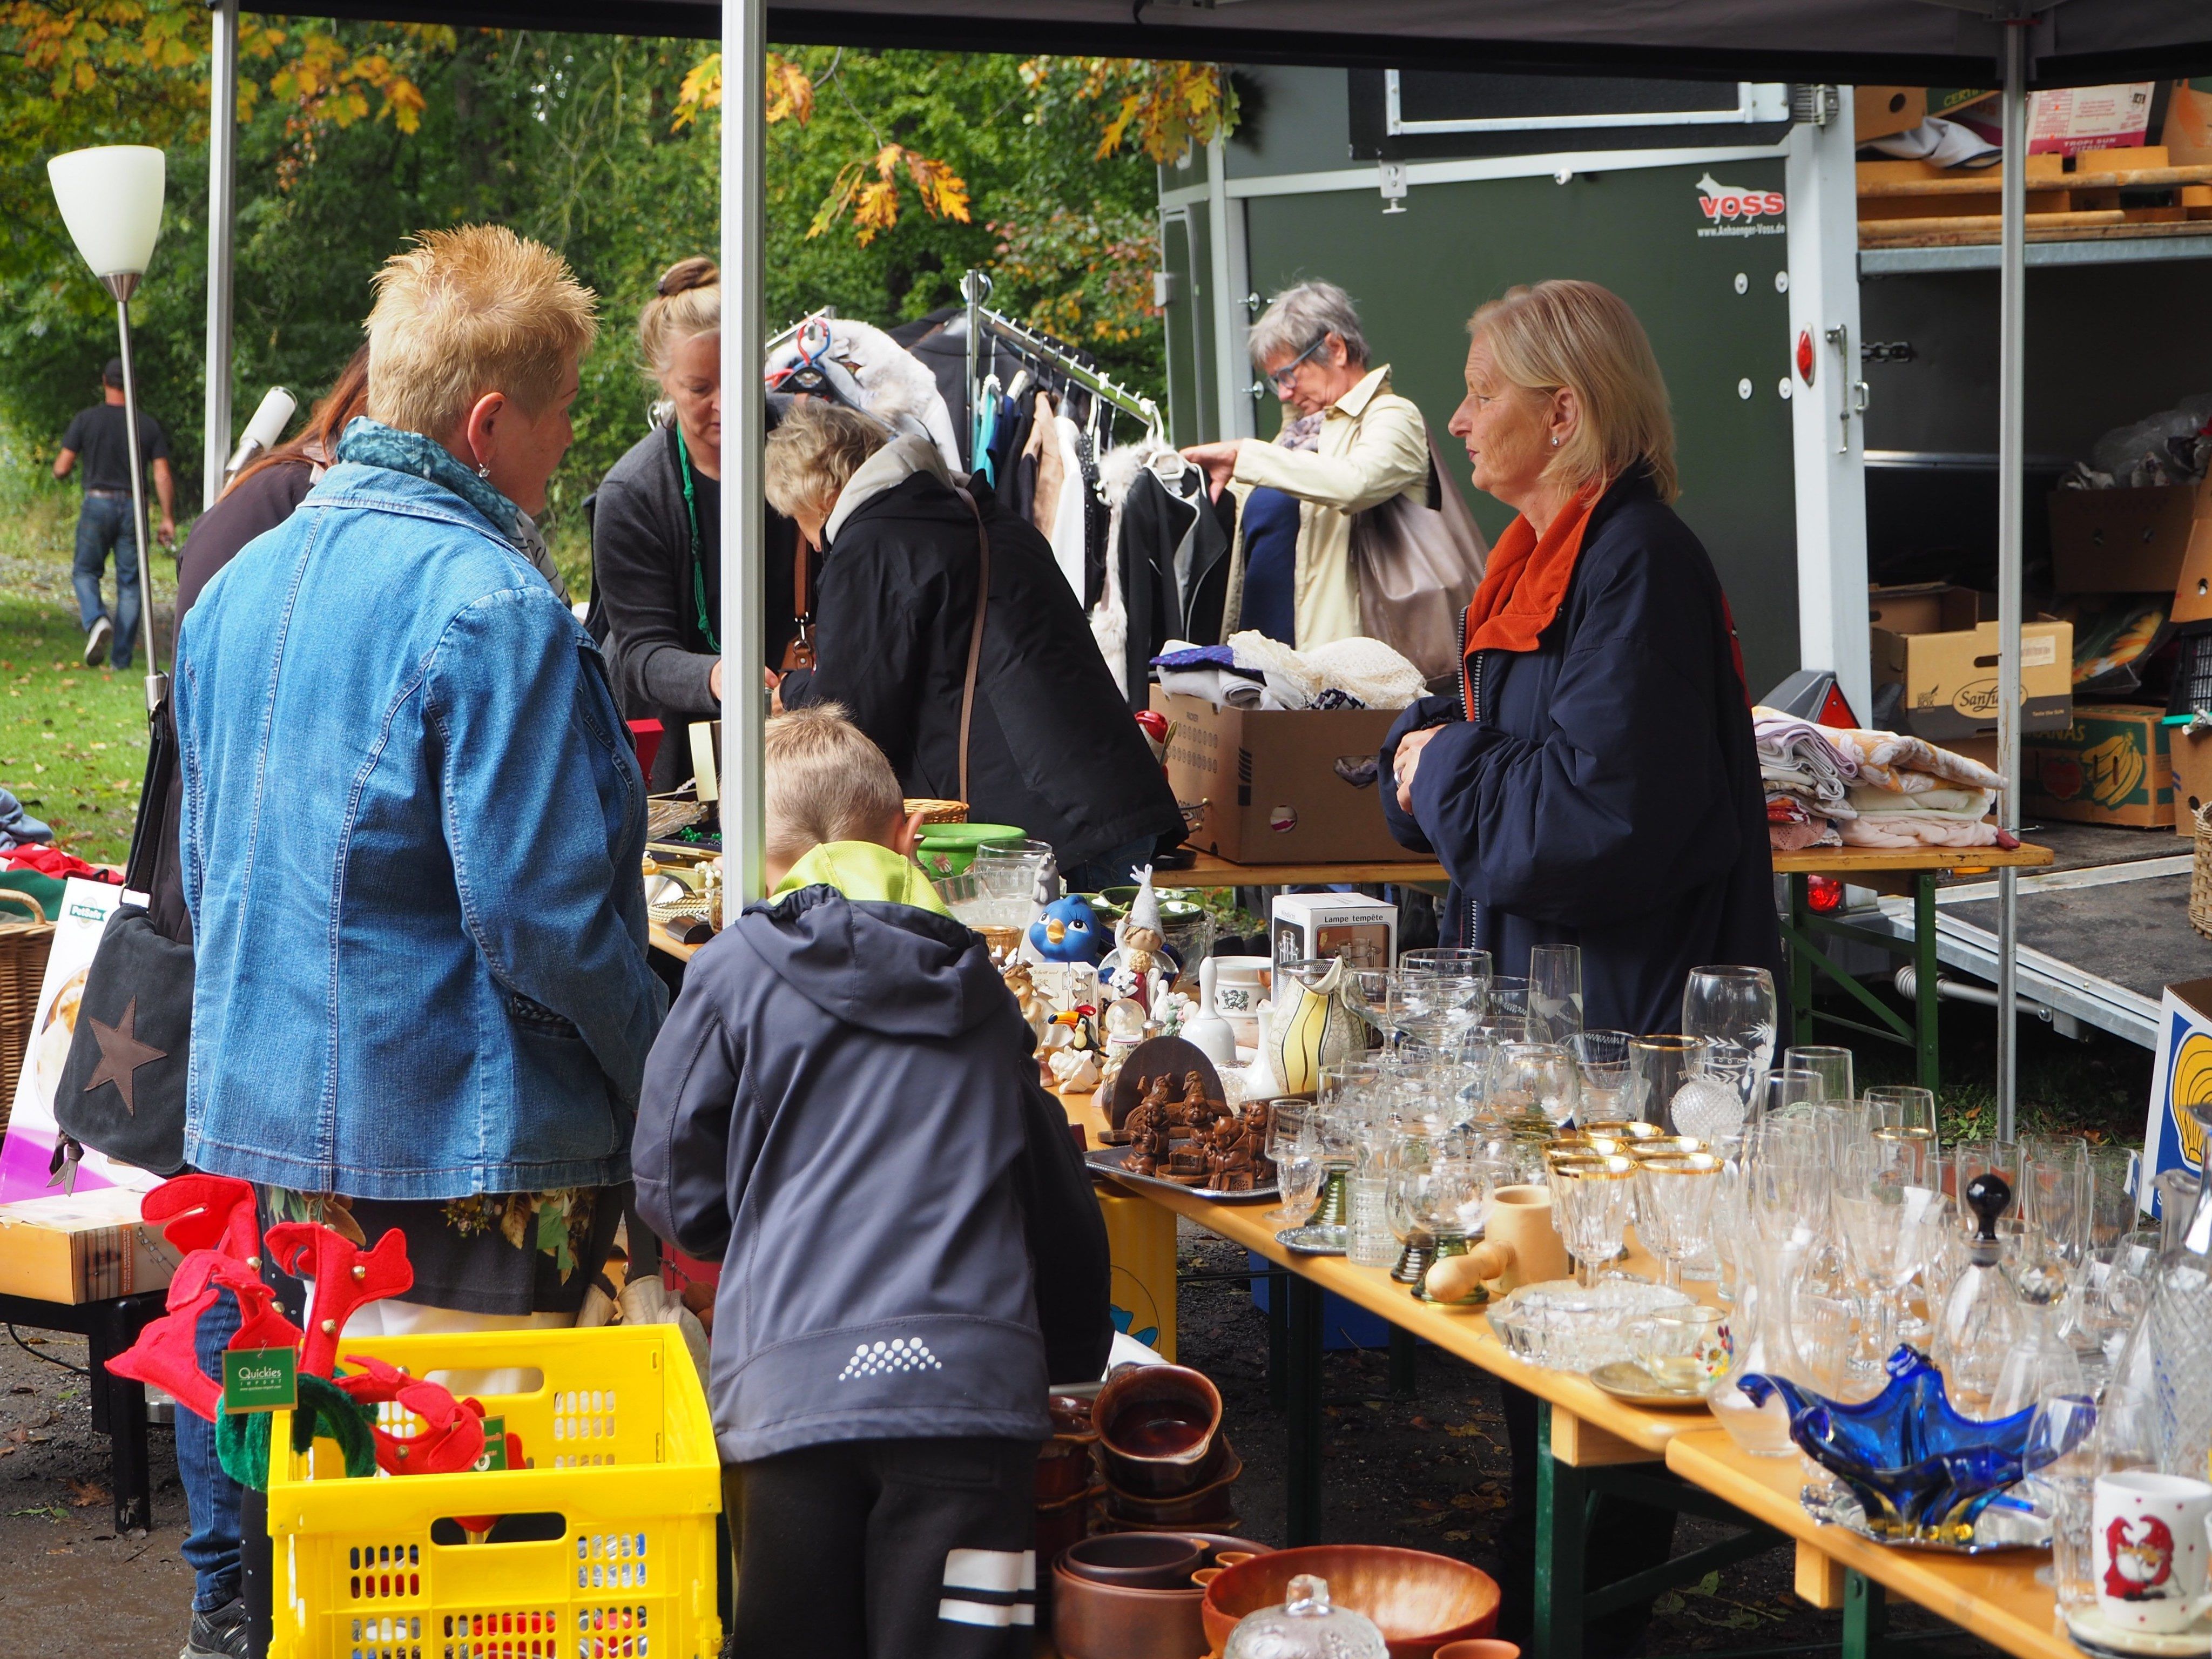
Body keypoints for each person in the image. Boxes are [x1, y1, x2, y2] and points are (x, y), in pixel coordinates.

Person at [176, 220, 665, 1372]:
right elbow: (541, 926)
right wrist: (666, 1067)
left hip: (281, 1173)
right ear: (488, 426)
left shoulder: (233, 590)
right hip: (463, 1179)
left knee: (321, 1511)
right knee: (466, 1526)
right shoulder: (495, 609)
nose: (570, 443)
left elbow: (211, 882)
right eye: (564, 412)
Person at [1381, 279, 1782, 1656]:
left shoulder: (1639, 564)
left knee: (1618, 1330)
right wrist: (1436, 762)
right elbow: (1481, 762)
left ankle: (1591, 1607)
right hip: (1558, 1011)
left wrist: (1442, 767)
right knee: (1536, 1304)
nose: (1458, 411)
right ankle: (1551, 1569)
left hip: (1641, 1028)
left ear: (1565, 412)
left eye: (1483, 386)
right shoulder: (1542, 554)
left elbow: (1587, 825)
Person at [633, 703, 1111, 1659]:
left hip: (790, 1390)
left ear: (754, 859)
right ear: (906, 836)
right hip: (967, 1398)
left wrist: (759, 1222)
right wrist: (1067, 1352)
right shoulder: (978, 992)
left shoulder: (730, 971)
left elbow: (673, 1185)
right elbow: (1052, 1187)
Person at [764, 400, 1183, 893]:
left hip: (1044, 835)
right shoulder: (976, 513)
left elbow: (849, 717)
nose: (813, 544)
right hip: (1108, 807)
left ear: (820, 495)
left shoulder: (875, 543)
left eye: (800, 521)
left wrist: (789, 694)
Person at [589, 257, 802, 788]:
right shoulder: (632, 493)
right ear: (663, 380)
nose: (726, 408)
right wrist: (718, 676)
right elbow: (640, 653)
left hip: (801, 730)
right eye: (700, 388)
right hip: (679, 757)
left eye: (736, 379)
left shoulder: (812, 441)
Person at [1180, 280, 1429, 650]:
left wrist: (1244, 456)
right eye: (1275, 381)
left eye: (1288, 375)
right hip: (1266, 667)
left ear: (1336, 349)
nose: (1283, 393)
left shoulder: (1393, 415)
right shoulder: (1295, 436)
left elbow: (1354, 484)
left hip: (1340, 669)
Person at [54, 356, 177, 670]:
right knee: (131, 585)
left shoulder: (85, 420)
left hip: (97, 503)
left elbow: (61, 467)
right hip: (134, 506)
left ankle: (96, 620)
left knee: (84, 572)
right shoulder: (146, 424)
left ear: (105, 382)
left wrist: (65, 469)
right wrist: (167, 518)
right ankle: (120, 661)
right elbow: (161, 474)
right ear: (132, 385)